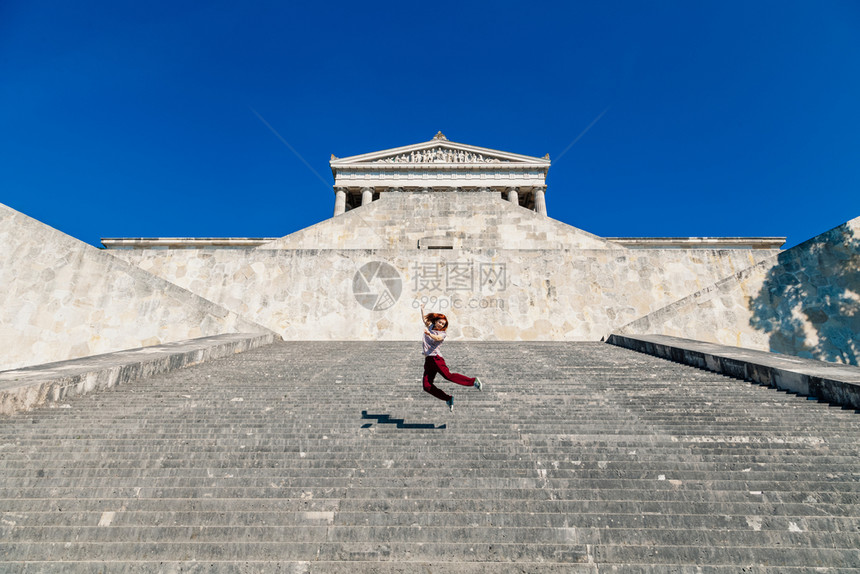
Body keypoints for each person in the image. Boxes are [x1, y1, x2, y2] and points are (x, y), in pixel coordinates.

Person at [420, 303, 483, 412]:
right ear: (435, 321)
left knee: (448, 376)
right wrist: (422, 309)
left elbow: (437, 337)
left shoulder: (442, 334)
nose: (441, 325)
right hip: (428, 360)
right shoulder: (430, 326)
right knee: (426, 386)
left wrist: (430, 335)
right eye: (440, 322)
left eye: (443, 324)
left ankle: (473, 381)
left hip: (436, 359)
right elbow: (424, 319)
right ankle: (448, 398)